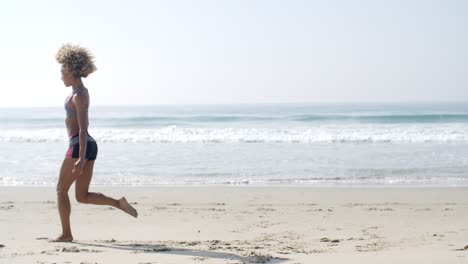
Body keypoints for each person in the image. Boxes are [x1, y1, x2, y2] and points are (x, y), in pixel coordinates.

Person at [53, 44, 137, 242]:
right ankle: (118, 203)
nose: (61, 76)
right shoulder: (79, 92)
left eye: (63, 71)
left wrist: (81, 158)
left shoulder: (79, 95)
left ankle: (66, 234)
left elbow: (83, 127)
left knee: (60, 190)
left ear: (72, 71)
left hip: (79, 145)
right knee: (81, 196)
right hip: (87, 145)